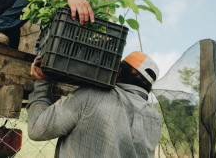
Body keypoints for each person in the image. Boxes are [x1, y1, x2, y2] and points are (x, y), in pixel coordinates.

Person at [27, 51, 162, 158]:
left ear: (118, 71)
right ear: (148, 88)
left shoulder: (91, 95)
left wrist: (42, 84)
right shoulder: (155, 118)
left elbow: (37, 129)